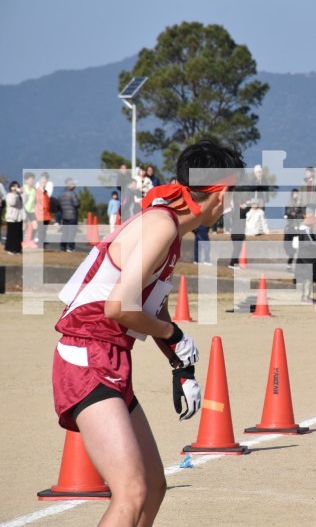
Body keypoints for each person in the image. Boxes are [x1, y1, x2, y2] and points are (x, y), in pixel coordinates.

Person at [51, 140, 238, 526]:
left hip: (108, 357)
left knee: (153, 486)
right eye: (232, 193)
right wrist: (174, 335)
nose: (232, 204)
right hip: (87, 356)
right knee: (132, 492)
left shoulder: (170, 229)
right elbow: (118, 307)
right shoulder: (162, 226)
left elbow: (150, 306)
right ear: (218, 193)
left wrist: (179, 362)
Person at [294, 208, 316, 303]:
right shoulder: (305, 230)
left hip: (304, 255)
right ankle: (306, 296)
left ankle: (306, 295)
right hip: (308, 256)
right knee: (308, 277)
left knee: (307, 277)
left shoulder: (302, 229)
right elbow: (309, 243)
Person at [58, 178, 80, 252]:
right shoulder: (73, 194)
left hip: (64, 215)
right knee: (72, 232)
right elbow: (77, 204)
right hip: (72, 215)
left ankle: (63, 246)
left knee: (65, 232)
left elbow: (59, 205)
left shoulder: (61, 194)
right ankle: (70, 247)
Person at [4, 181, 24, 254]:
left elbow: (25, 202)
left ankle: (17, 249)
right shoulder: (9, 195)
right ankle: (10, 249)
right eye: (13, 186)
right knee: (11, 234)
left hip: (19, 217)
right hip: (12, 218)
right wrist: (14, 194)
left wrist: (22, 193)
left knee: (18, 235)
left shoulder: (19, 196)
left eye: (16, 186)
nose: (15, 188)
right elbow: (12, 203)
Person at [35, 172, 52, 248]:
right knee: (41, 230)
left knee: (44, 231)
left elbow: (47, 202)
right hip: (40, 214)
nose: (44, 183)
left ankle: (42, 243)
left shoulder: (46, 192)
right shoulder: (37, 191)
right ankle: (40, 244)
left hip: (46, 214)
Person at [22, 172, 36, 247]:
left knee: (35, 226)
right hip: (24, 210)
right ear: (26, 180)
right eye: (30, 179)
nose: (31, 181)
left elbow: (35, 201)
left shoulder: (34, 190)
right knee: (24, 227)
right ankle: (22, 242)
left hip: (32, 211)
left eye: (32, 179)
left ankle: (31, 241)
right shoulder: (23, 188)